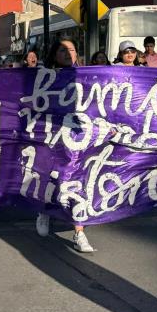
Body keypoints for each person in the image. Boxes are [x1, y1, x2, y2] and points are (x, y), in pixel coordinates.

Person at [35, 38, 96, 253]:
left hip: (77, 139)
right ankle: (44, 212)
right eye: (62, 49)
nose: (68, 52)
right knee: (52, 180)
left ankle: (79, 232)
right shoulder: (44, 77)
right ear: (54, 54)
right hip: (51, 138)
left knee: (77, 182)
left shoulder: (88, 77)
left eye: (71, 49)